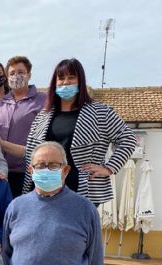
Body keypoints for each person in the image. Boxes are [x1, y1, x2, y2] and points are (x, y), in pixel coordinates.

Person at [22, 58, 136, 206]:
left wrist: (109, 168)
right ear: (54, 83)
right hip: (44, 187)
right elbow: (31, 153)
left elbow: (128, 139)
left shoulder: (99, 112)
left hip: (81, 188)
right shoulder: (43, 116)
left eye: (71, 77)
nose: (65, 82)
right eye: (61, 78)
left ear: (80, 81)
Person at [0, 56, 46, 198]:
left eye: (21, 72)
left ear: (29, 75)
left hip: (26, 173)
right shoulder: (3, 102)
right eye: (12, 73)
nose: (16, 76)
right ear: (7, 77)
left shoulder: (42, 100)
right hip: (0, 171)